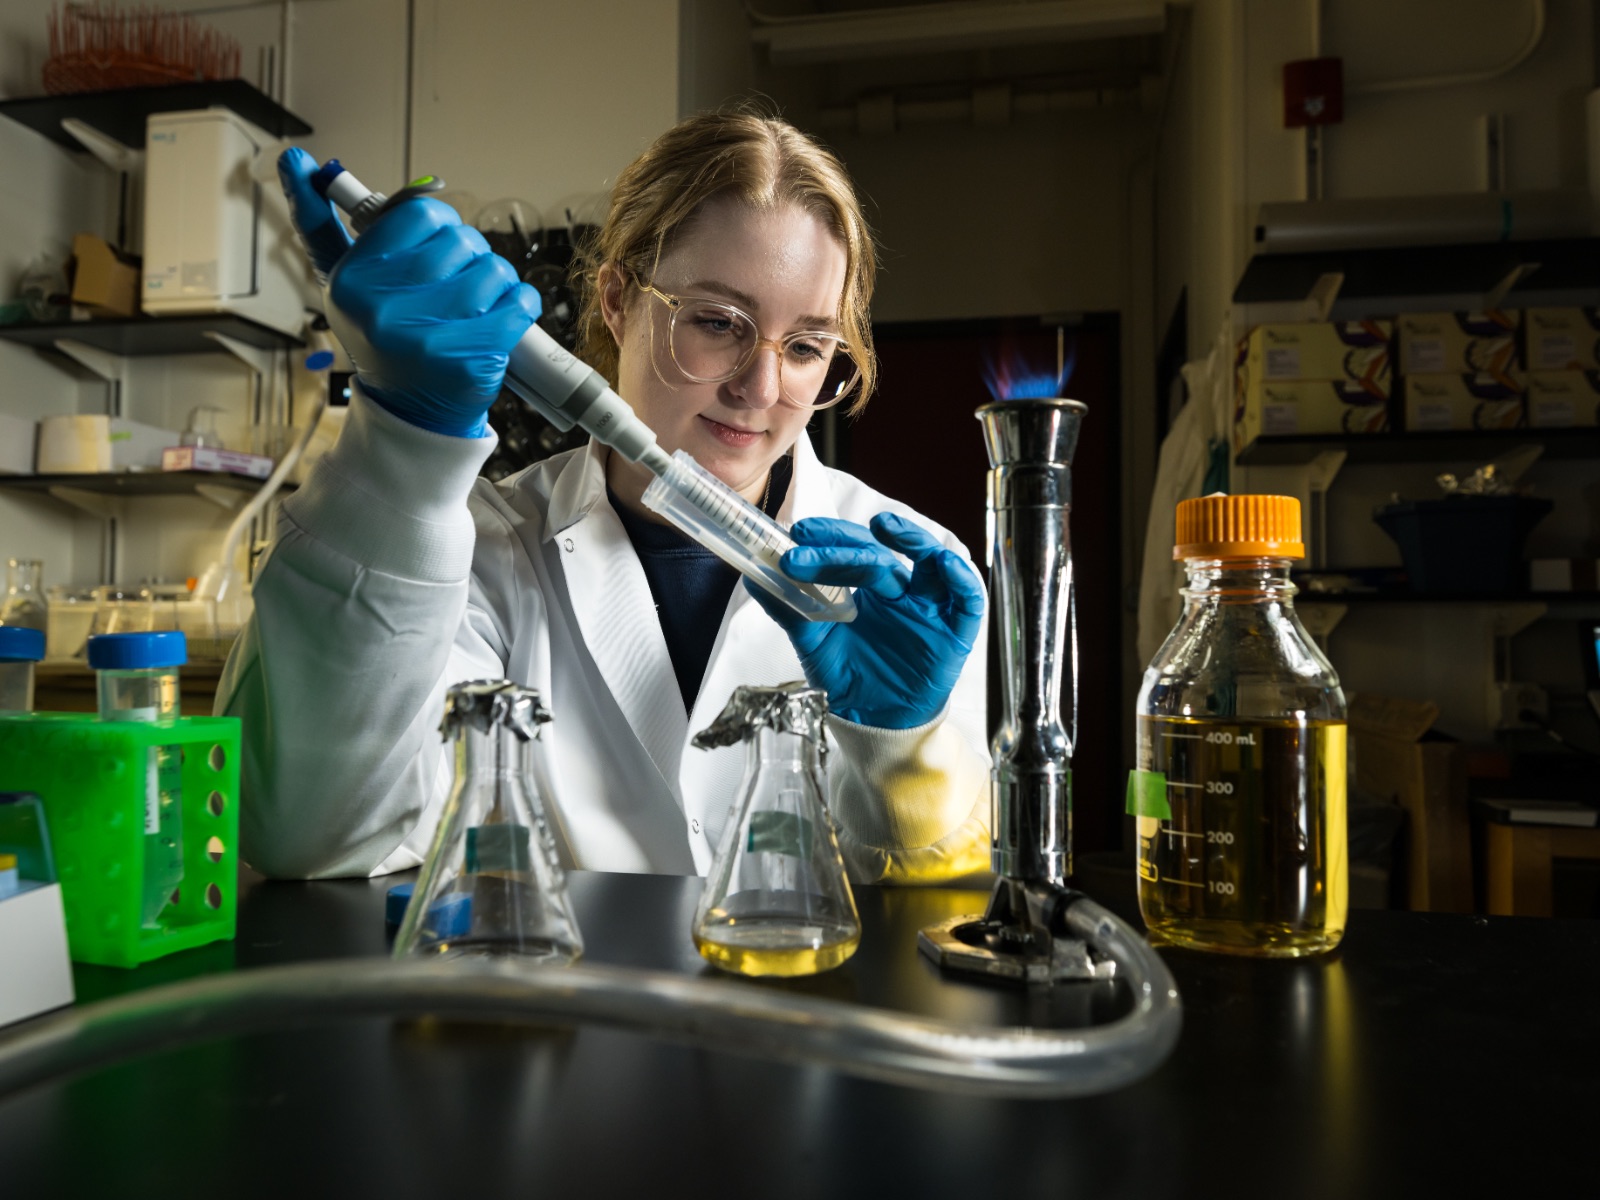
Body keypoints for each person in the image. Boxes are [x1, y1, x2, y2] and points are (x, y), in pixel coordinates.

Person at [220, 109, 992, 884]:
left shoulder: (904, 579)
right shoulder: (482, 551)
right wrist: (401, 448)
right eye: (720, 322)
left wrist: (901, 753)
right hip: (557, 1004)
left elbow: (940, 912)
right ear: (619, 301)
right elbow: (306, 832)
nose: (761, 387)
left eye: (805, 346)